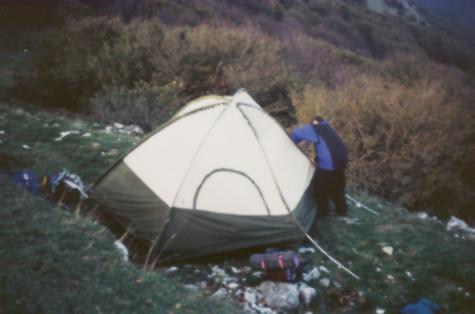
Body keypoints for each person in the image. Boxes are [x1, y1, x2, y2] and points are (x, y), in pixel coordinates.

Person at [290, 115, 348, 217]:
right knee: (337, 190)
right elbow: (328, 147)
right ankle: (342, 212)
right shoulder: (329, 128)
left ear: (314, 122)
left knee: (320, 191)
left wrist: (292, 145)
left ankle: (322, 214)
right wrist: (317, 160)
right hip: (341, 164)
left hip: (328, 168)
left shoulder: (316, 128)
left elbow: (296, 133)